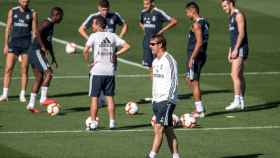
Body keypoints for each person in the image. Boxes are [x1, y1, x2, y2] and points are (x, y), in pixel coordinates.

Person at [83, 16, 130, 130]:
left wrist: (88, 62)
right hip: (110, 71)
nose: (92, 26)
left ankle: (93, 122)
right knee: (110, 98)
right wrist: (115, 54)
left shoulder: (93, 36)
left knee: (94, 98)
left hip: (97, 71)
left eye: (93, 24)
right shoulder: (112, 35)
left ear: (98, 25)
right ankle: (112, 122)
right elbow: (127, 46)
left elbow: (85, 50)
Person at [79, 0, 128, 106]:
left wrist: (119, 38)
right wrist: (92, 41)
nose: (105, 12)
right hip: (98, 50)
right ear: (99, 8)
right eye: (103, 9)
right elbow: (81, 29)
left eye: (106, 9)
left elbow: (124, 25)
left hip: (111, 50)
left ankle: (104, 97)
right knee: (94, 71)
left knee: (111, 72)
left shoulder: (115, 16)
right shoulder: (94, 17)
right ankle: (100, 98)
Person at [146, 35, 180, 158]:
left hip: (167, 100)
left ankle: (151, 156)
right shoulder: (155, 61)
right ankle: (176, 156)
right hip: (156, 100)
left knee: (159, 128)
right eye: (150, 44)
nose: (150, 46)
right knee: (168, 130)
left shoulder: (169, 60)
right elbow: (154, 78)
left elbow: (175, 81)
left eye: (153, 44)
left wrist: (170, 100)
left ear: (160, 44)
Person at [26, 7, 64, 113]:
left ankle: (31, 104)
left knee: (39, 77)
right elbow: (37, 32)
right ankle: (43, 98)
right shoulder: (47, 23)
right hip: (36, 51)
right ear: (56, 15)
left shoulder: (51, 25)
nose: (62, 18)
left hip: (34, 52)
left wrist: (53, 57)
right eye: (61, 16)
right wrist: (42, 46)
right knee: (49, 73)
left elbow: (49, 42)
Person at [0, 0, 37, 102]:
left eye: (27, 2)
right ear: (19, 1)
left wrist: (34, 46)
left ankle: (22, 94)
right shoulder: (12, 11)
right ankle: (5, 94)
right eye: (23, 1)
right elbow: (7, 28)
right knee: (8, 68)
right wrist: (6, 45)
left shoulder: (32, 13)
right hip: (14, 44)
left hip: (26, 45)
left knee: (24, 69)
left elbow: (34, 32)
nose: (25, 3)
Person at [221, 0, 249, 111]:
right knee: (240, 75)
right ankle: (241, 101)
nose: (224, 8)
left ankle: (237, 100)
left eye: (225, 6)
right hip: (236, 48)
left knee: (234, 75)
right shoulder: (231, 17)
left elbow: (241, 34)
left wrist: (236, 49)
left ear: (231, 3)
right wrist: (230, 50)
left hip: (240, 48)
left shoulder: (238, 15)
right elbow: (233, 36)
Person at [185, 2, 209, 118]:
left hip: (196, 55)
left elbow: (199, 43)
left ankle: (199, 110)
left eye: (187, 12)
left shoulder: (197, 25)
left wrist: (192, 58)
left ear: (192, 11)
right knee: (189, 79)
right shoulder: (204, 22)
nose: (186, 15)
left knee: (194, 82)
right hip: (200, 55)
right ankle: (199, 105)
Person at [139, 0, 177, 70]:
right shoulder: (143, 12)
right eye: (144, 4)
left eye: (147, 4)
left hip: (157, 43)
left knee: (158, 65)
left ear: (152, 3)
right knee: (150, 66)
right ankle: (154, 81)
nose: (145, 6)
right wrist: (145, 29)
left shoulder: (158, 12)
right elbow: (140, 22)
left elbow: (174, 21)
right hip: (147, 42)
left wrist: (162, 30)